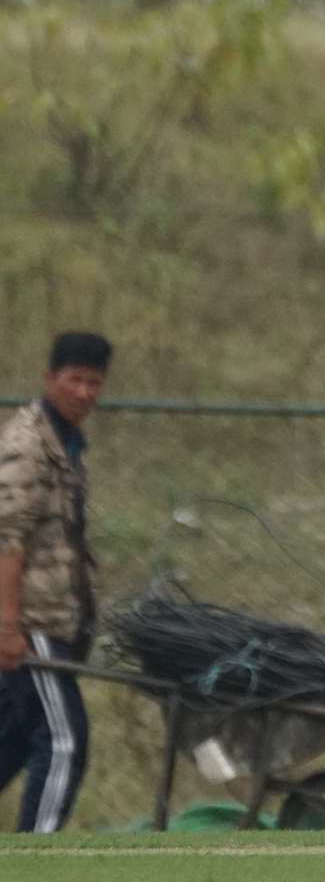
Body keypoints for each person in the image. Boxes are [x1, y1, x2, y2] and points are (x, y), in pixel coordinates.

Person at [0, 332, 110, 833]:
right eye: (74, 380)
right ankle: (34, 860)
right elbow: (7, 537)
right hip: (31, 622)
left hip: (55, 623)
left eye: (94, 383)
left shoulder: (65, 443)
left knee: (17, 737)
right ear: (50, 378)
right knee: (65, 740)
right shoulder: (28, 443)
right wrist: (7, 627)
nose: (84, 392)